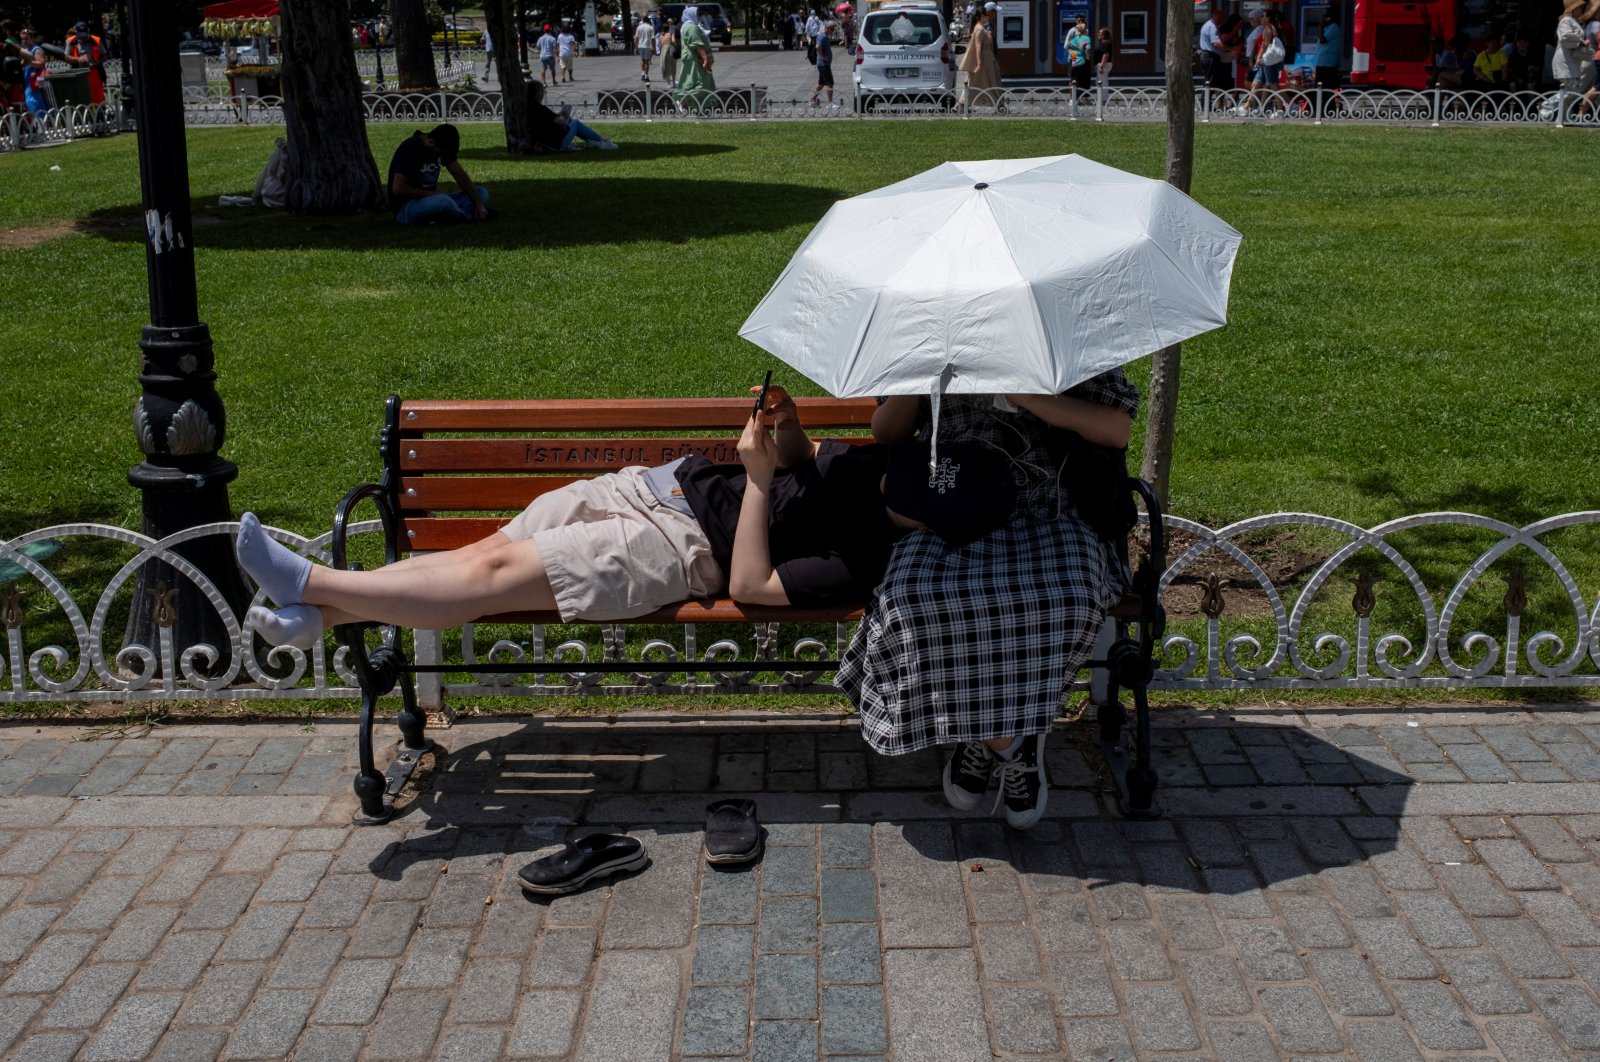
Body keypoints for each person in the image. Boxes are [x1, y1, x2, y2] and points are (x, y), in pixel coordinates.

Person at [237, 385, 1015, 651]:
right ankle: (326, 619)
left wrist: (752, 481)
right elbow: (812, 461)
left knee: (490, 577)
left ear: (921, 526)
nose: (892, 491)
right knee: (477, 559)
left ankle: (310, 581)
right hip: (651, 485)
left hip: (672, 549)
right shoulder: (889, 464)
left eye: (903, 503)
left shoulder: (865, 560)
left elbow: (749, 584)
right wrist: (785, 428)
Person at [838, 373, 1140, 831]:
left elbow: (1115, 430)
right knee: (913, 597)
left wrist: (1024, 393)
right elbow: (886, 432)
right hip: (954, 491)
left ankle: (989, 732)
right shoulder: (938, 327)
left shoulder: (1061, 328)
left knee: (1068, 597)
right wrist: (918, 371)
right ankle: (1009, 739)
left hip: (1049, 500)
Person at [386, 124, 493, 225]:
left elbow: (460, 175)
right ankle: (468, 216)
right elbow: (398, 189)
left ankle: (450, 214)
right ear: (431, 142)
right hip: (406, 208)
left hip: (431, 199)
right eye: (441, 154)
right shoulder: (411, 149)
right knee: (444, 201)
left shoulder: (441, 147)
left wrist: (479, 203)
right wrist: (432, 195)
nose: (442, 157)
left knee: (482, 193)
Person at [526, 81, 620, 150]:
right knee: (575, 123)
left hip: (546, 141)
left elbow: (550, 121)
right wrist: (564, 114)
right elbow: (561, 121)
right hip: (556, 145)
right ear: (539, 94)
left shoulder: (529, 108)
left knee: (570, 120)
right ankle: (601, 140)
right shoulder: (541, 109)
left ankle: (593, 140)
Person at [674, 5, 718, 110]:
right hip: (695, 58)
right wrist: (705, 58)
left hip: (694, 58)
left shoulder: (689, 26)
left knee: (693, 81)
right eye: (697, 14)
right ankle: (683, 98)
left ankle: (697, 108)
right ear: (691, 14)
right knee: (701, 84)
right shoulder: (691, 27)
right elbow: (697, 44)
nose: (699, 17)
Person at [959, 4, 1001, 109]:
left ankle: (961, 104)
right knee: (989, 83)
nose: (995, 14)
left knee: (976, 83)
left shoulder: (982, 27)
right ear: (983, 15)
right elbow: (978, 46)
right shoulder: (981, 29)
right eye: (987, 14)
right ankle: (999, 105)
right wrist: (979, 63)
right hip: (984, 62)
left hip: (987, 60)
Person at [65, 19, 108, 105]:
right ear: (76, 32)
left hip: (95, 73)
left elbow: (105, 56)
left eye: (85, 36)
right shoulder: (70, 41)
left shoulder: (96, 40)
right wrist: (78, 59)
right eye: (81, 36)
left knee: (98, 99)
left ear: (88, 31)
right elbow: (66, 58)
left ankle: (100, 115)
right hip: (79, 74)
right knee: (82, 99)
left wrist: (97, 62)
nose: (83, 38)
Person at [1199, 7, 1232, 91]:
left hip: (1207, 55)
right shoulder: (1212, 26)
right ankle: (1206, 102)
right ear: (1217, 17)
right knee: (1211, 80)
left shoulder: (1208, 25)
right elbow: (1216, 43)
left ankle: (1206, 101)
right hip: (1210, 56)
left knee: (1209, 79)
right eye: (1222, 18)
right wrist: (1230, 49)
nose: (1222, 21)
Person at [1314, 5, 1341, 95]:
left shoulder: (1334, 27)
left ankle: (1328, 106)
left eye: (1324, 16)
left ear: (1329, 17)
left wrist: (1320, 27)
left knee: (1326, 87)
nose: (1322, 18)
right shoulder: (1327, 27)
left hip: (1327, 63)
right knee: (1318, 86)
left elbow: (1322, 40)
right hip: (1321, 63)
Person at [810, 19, 836, 106]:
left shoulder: (824, 35)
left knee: (821, 83)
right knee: (830, 83)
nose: (833, 31)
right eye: (832, 29)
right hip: (823, 64)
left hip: (823, 64)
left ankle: (812, 100)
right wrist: (823, 56)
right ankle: (830, 104)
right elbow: (818, 47)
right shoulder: (823, 36)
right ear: (827, 28)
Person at [1066, 15, 1092, 97]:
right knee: (1073, 78)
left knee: (1083, 78)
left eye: (1082, 20)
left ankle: (1082, 98)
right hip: (1074, 57)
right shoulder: (1072, 31)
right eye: (1079, 20)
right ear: (1076, 21)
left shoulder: (1086, 31)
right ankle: (1072, 98)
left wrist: (1087, 57)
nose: (1081, 21)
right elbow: (1067, 46)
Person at [1092, 25, 1114, 106]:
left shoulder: (1106, 44)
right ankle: (1101, 99)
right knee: (1101, 81)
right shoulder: (1104, 43)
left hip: (1104, 64)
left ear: (1104, 35)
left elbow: (1106, 54)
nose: (1098, 34)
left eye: (1100, 33)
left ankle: (1102, 100)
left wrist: (1101, 66)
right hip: (1103, 64)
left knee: (1101, 82)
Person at [635, 14, 656, 80]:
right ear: (648, 21)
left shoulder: (639, 27)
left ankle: (642, 73)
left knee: (642, 60)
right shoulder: (650, 27)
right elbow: (653, 38)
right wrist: (654, 47)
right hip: (647, 45)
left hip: (640, 45)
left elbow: (636, 38)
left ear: (643, 21)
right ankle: (646, 76)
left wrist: (635, 47)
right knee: (647, 61)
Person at [660, 17, 680, 83]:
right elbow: (674, 41)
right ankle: (673, 82)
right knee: (673, 66)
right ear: (668, 28)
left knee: (666, 66)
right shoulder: (671, 34)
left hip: (663, 50)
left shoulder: (661, 35)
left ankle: (668, 83)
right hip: (670, 49)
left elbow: (661, 43)